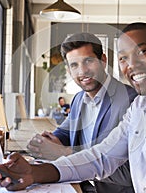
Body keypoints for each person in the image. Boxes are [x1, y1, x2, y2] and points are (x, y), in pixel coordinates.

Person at [0, 22, 146, 192]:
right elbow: (101, 157)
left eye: (141, 52)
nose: (132, 65)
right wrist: (32, 172)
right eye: (123, 58)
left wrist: (56, 154)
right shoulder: (140, 107)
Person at [27, 33, 137, 192]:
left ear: (103, 60)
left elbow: (130, 172)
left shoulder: (130, 101)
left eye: (88, 61)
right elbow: (65, 132)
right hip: (80, 186)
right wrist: (48, 141)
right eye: (74, 65)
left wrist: (64, 153)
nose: (82, 71)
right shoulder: (79, 99)